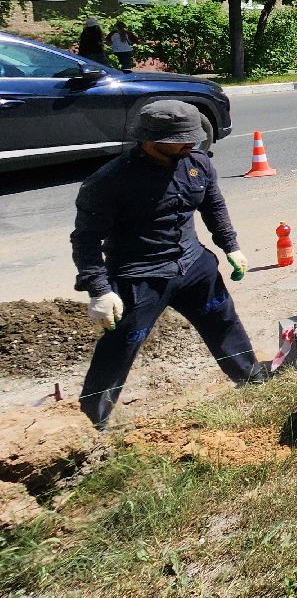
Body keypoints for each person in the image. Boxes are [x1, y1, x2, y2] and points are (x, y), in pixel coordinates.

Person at [71, 101, 267, 427]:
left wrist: (231, 246)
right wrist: (99, 290)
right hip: (140, 275)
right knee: (121, 345)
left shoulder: (196, 163)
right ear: (151, 139)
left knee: (223, 321)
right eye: (182, 138)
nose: (192, 143)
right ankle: (93, 421)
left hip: (193, 265)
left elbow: (213, 205)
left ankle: (252, 379)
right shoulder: (109, 182)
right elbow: (85, 239)